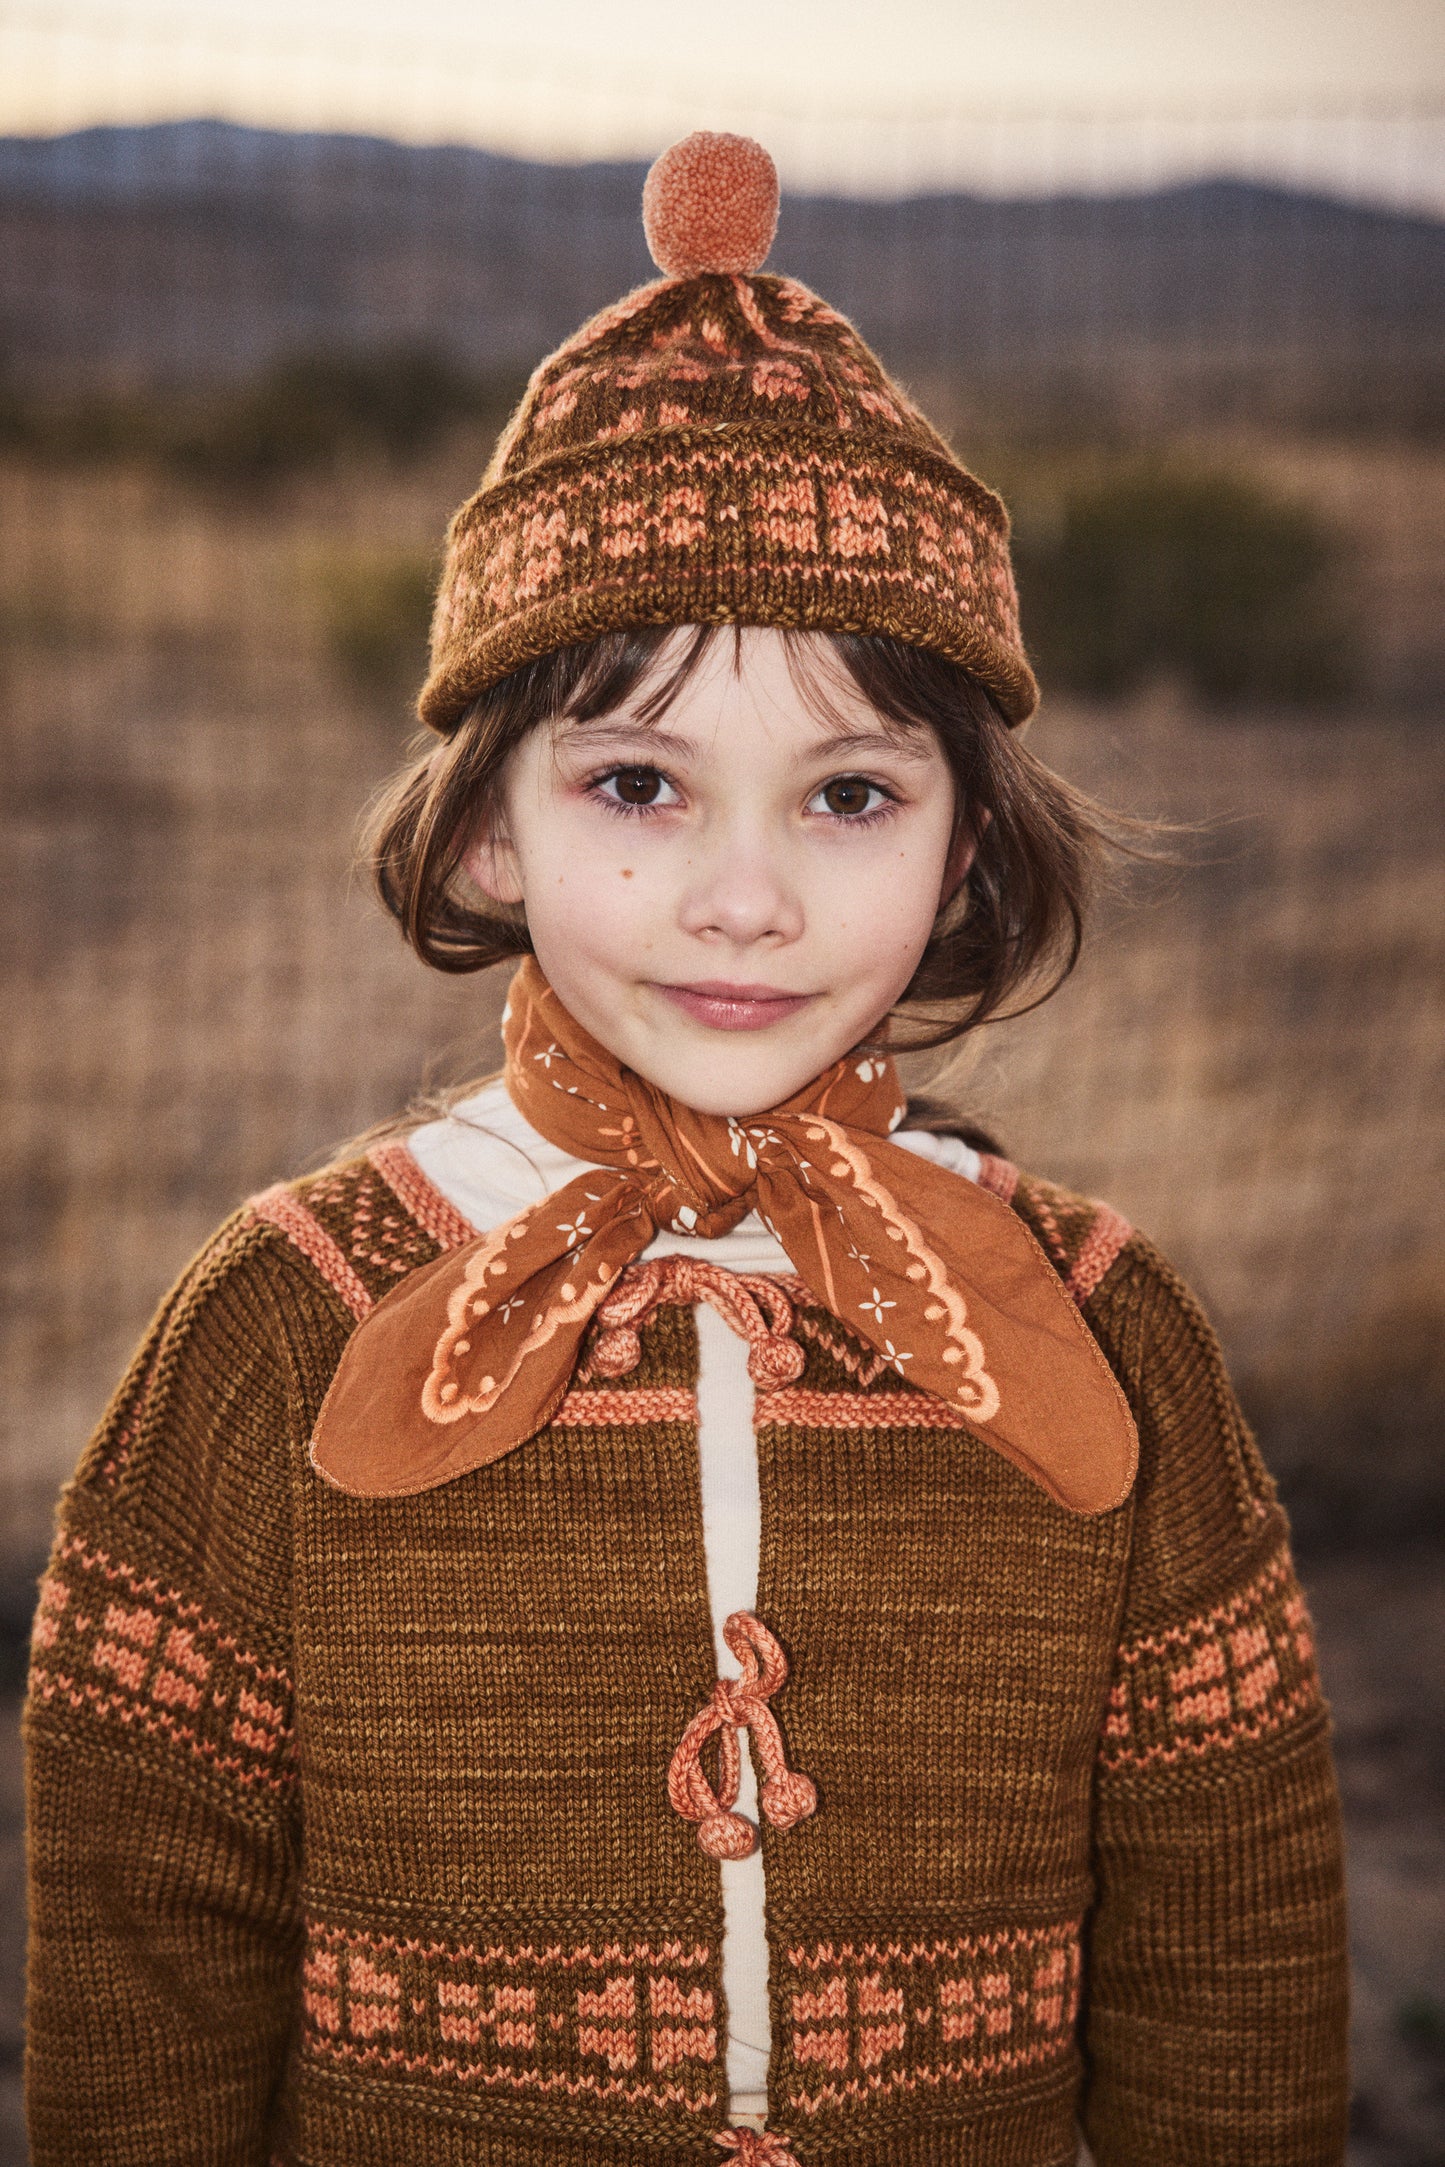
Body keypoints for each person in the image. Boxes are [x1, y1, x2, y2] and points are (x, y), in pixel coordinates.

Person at [24, 132, 1348, 2165]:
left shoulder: (1101, 1322)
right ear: (488, 825)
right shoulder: (291, 1311)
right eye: (641, 780)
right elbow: (147, 1934)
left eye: (846, 796)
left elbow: (1232, 1955)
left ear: (966, 843)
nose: (747, 900)